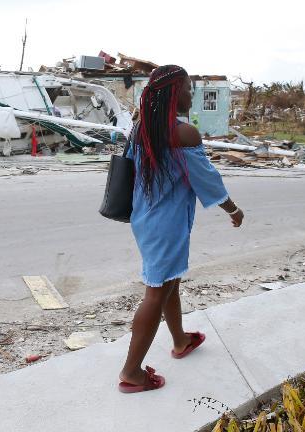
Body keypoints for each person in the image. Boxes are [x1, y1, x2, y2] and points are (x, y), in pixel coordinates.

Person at [118, 65, 244, 393]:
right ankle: (131, 373)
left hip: (146, 220)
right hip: (167, 225)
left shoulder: (140, 129)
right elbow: (207, 180)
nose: (192, 94)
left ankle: (180, 340)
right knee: (156, 292)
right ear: (174, 94)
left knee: (169, 280)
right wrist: (233, 209)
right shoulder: (184, 134)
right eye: (188, 88)